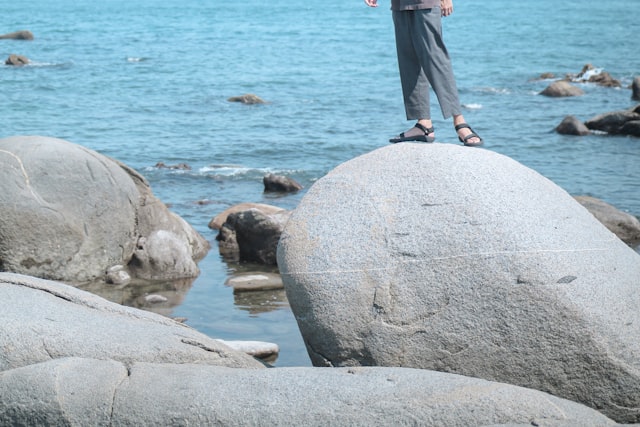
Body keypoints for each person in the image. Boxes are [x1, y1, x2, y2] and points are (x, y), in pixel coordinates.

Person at [364, 0, 483, 146]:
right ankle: (423, 124)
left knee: (436, 60)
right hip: (400, 4)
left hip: (427, 2)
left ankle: (459, 121)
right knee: (408, 59)